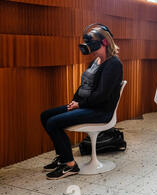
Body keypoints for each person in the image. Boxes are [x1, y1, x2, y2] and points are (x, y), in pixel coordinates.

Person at [40, 24, 123, 180]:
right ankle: (62, 157)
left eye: (92, 42)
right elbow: (85, 85)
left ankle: (70, 166)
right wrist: (75, 101)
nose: (89, 47)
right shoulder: (96, 61)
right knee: (46, 116)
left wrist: (80, 104)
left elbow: (102, 95)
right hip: (87, 105)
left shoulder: (113, 64)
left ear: (104, 43)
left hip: (101, 111)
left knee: (53, 122)